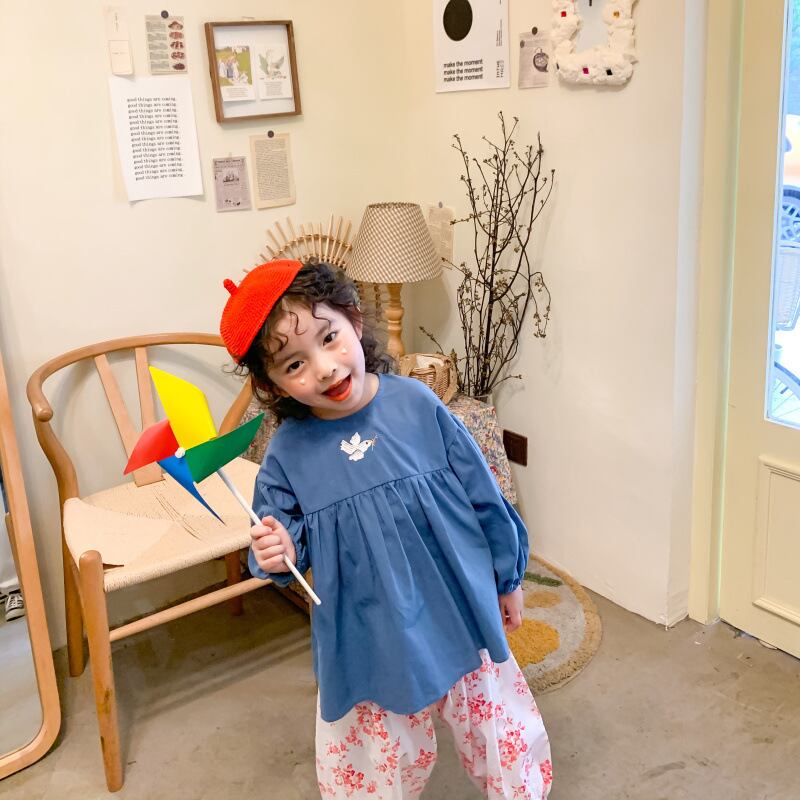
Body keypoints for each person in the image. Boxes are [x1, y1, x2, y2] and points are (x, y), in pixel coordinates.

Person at [219, 259, 552, 799]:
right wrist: (279, 550)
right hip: (366, 632)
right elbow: (278, 543)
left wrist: (507, 578)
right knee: (375, 753)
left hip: (458, 603)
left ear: (354, 319)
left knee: (495, 724)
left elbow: (483, 495)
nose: (324, 368)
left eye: (329, 338)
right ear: (270, 384)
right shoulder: (286, 454)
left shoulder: (417, 402)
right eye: (294, 364)